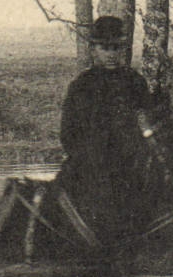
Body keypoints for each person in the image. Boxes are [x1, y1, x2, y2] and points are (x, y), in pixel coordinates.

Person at [59, 14, 160, 244]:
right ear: (93, 49)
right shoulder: (82, 86)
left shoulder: (135, 82)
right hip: (92, 169)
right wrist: (91, 159)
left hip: (131, 167)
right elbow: (68, 134)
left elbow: (147, 122)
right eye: (105, 48)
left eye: (116, 48)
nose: (111, 54)